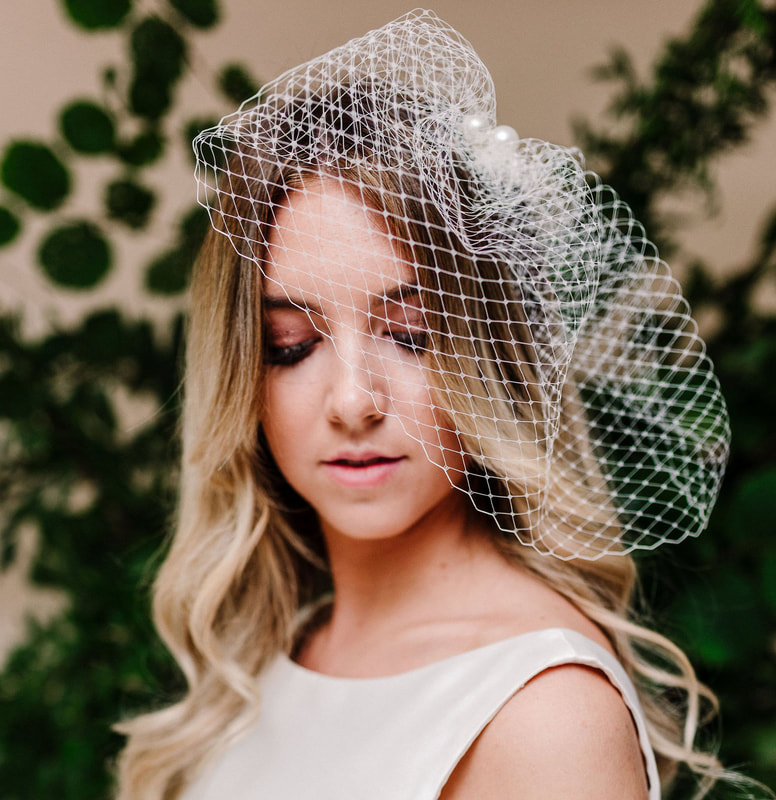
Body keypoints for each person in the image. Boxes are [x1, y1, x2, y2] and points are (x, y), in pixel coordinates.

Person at [115, 11, 739, 800]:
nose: (352, 401)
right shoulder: (278, 653)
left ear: (490, 351)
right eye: (291, 344)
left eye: (410, 335)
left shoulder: (543, 714)